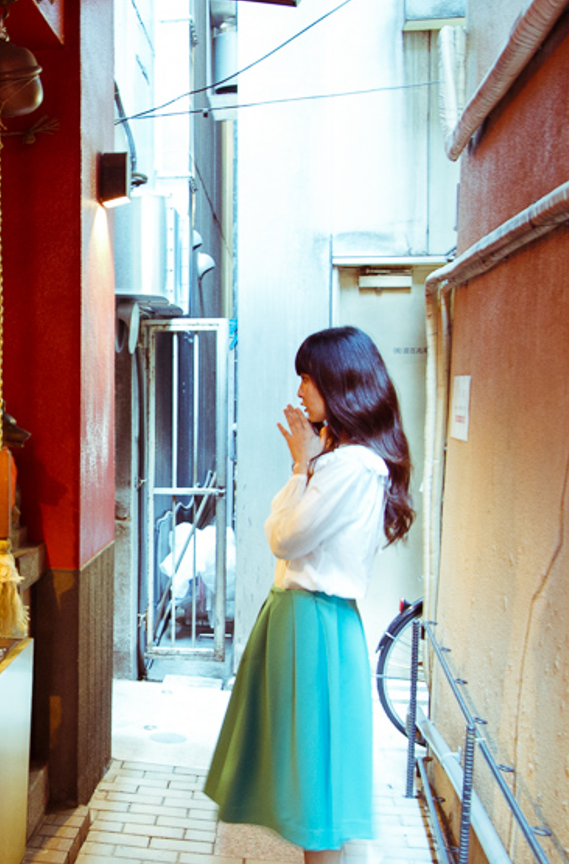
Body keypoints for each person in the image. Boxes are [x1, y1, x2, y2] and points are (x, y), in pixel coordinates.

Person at [204, 326, 415, 864]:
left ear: (341, 383)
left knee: (315, 789)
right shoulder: (347, 461)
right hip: (313, 621)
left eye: (309, 378)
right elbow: (286, 530)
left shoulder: (350, 466)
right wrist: (306, 465)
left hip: (311, 623)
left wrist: (301, 466)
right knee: (317, 784)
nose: (300, 391)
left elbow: (284, 536)